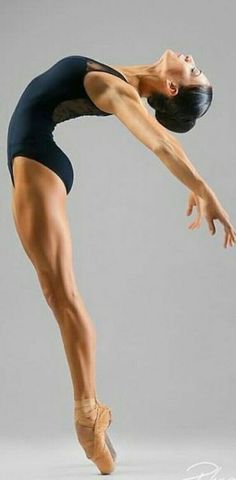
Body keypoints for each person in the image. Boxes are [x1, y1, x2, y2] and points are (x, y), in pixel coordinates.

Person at [7, 48, 236, 475]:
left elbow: (159, 142)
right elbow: (164, 135)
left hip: (37, 162)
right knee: (59, 295)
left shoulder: (113, 88)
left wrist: (204, 189)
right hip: (32, 158)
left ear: (172, 88)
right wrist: (195, 181)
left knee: (62, 296)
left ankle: (87, 415)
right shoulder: (121, 77)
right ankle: (91, 416)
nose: (191, 59)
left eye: (194, 71)